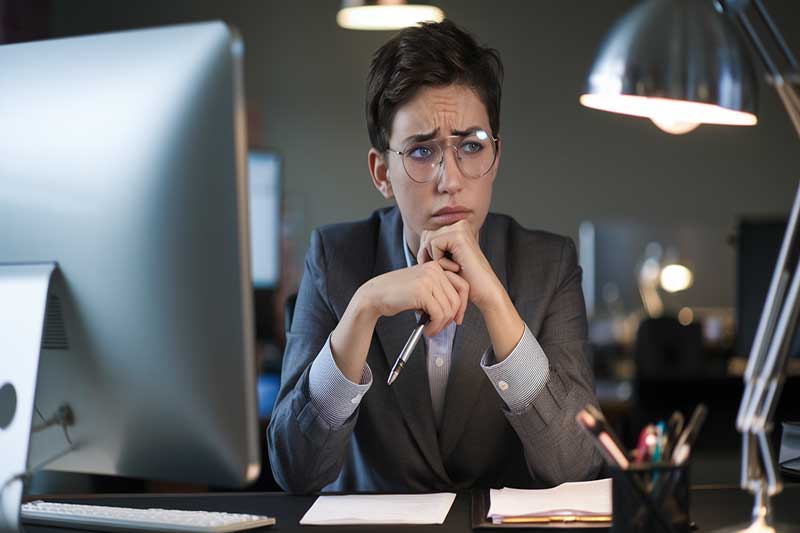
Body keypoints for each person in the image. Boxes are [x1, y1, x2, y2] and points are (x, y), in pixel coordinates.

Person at [267, 19, 603, 494]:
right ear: (381, 172)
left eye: (471, 146)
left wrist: (498, 308)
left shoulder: (548, 264)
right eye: (422, 151)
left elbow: (577, 466)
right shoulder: (335, 257)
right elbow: (295, 470)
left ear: (496, 157)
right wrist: (363, 309)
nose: (451, 179)